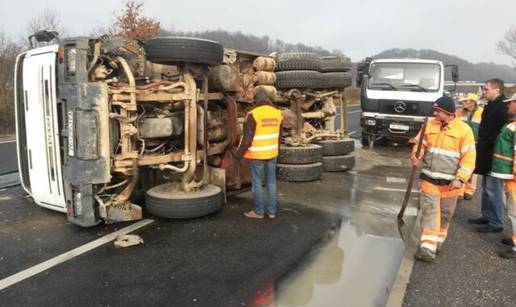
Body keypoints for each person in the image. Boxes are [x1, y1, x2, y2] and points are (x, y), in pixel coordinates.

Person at [411, 96, 476, 262]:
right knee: (430, 212)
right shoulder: (428, 125)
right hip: (429, 179)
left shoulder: (464, 130)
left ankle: (437, 242)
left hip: (451, 184)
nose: (435, 113)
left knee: (445, 215)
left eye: (438, 111)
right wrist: (416, 156)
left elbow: (469, 158)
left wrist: (460, 179)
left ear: (448, 113)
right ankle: (427, 247)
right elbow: (420, 145)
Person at [469, 79, 509, 233]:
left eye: (486, 89)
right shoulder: (490, 105)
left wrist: (489, 145)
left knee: (494, 189)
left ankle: (496, 222)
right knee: (486, 187)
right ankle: (486, 215)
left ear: (496, 89)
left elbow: (502, 133)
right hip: (486, 151)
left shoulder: (503, 106)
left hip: (495, 153)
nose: (483, 91)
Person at [236, 90, 283, 219]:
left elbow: (247, 140)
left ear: (256, 101)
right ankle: (272, 212)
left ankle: (258, 212)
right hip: (272, 154)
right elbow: (280, 137)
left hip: (258, 155)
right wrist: (277, 151)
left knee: (257, 182)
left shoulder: (253, 114)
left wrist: (238, 155)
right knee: (271, 182)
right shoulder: (278, 113)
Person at [489, 93, 516, 259]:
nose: (508, 106)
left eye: (511, 103)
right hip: (510, 176)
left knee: (515, 211)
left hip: (514, 178)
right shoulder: (513, 124)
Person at [456, 93, 484, 199]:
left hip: (476, 143)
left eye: (464, 101)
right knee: (461, 166)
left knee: (472, 168)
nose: (462, 103)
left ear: (472, 102)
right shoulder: (459, 113)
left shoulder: (482, 112)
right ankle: (459, 191)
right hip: (462, 142)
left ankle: (469, 190)